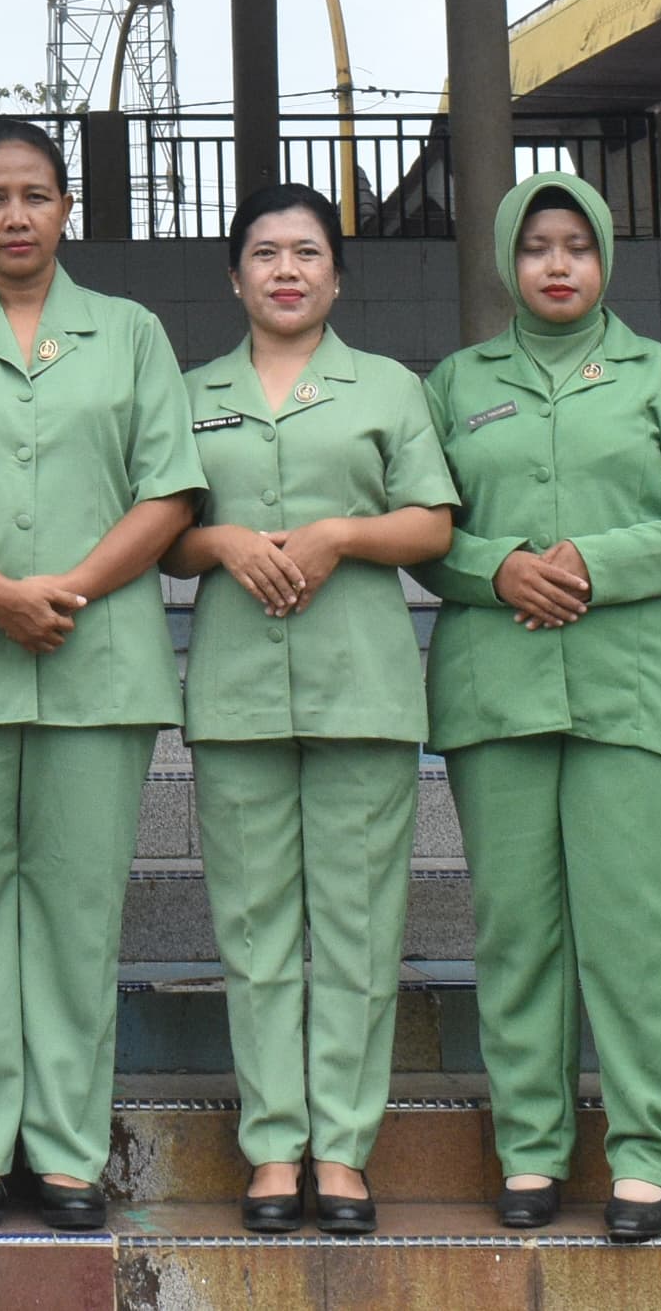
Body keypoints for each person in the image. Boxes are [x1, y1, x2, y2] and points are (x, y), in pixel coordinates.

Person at [0, 118, 203, 1234]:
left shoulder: (130, 332)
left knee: (75, 912)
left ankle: (64, 1150)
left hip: (96, 658)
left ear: (66, 208)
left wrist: (67, 588)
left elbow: (169, 489)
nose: (15, 215)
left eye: (35, 194)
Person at [421, 174, 661, 1244]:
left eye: (576, 244)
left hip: (636, 691)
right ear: (505, 262)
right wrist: (496, 566)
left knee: (638, 935)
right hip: (498, 690)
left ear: (605, 255)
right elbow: (420, 525)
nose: (556, 264)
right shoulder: (455, 384)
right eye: (535, 247)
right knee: (516, 930)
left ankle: (646, 1155)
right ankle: (530, 1146)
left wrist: (593, 562)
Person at [166, 182, 457, 1237]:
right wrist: (221, 541)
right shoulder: (188, 393)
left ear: (336, 275)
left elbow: (431, 523)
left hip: (360, 686)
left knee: (357, 928)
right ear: (233, 275)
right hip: (237, 690)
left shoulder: (387, 387)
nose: (285, 270)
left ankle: (340, 1148)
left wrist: (340, 534)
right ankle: (271, 1145)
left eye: (305, 252)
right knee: (252, 930)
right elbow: (161, 533)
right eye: (264, 252)